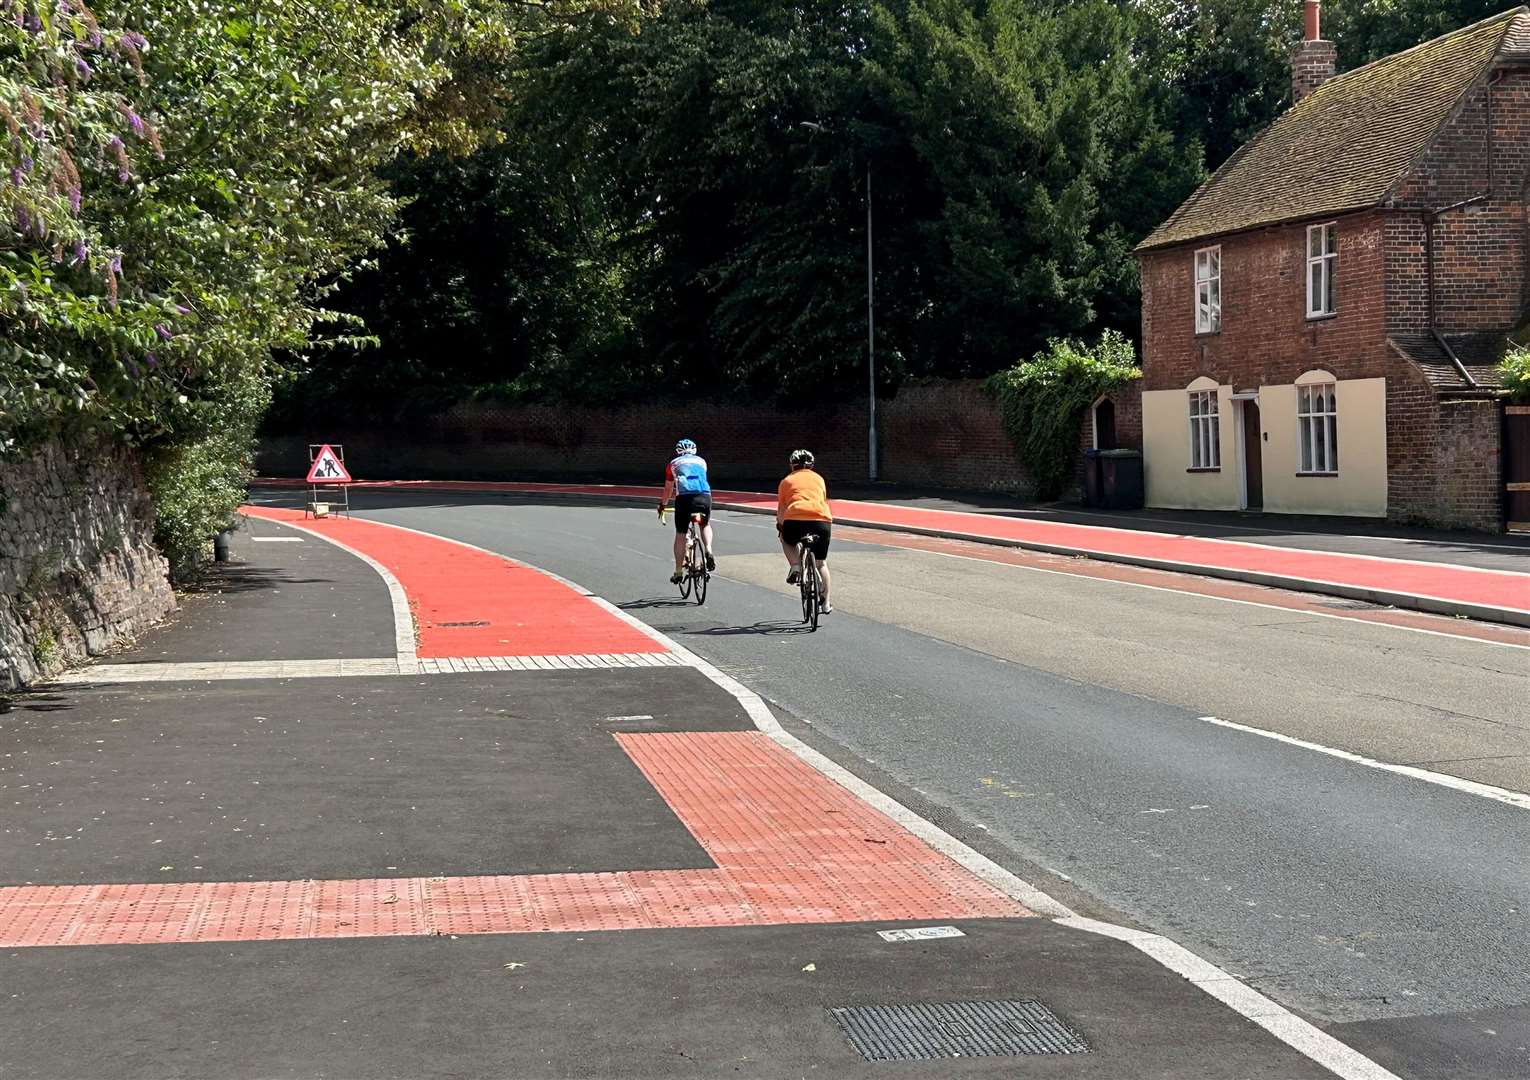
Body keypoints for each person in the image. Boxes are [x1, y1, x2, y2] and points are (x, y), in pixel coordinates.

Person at [776, 449, 832, 614]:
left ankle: (795, 566)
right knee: (821, 563)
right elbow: (822, 499)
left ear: (792, 465)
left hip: (795, 518)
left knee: (786, 539)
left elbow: (782, 508)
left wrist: (780, 526)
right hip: (821, 520)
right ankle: (826, 603)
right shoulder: (819, 479)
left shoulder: (786, 481)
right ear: (811, 465)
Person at [658, 438, 715, 585]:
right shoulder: (702, 462)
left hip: (684, 499)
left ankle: (678, 571)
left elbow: (668, 489)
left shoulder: (673, 464)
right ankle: (708, 549)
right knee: (705, 524)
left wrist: (662, 505)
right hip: (704, 496)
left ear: (678, 451)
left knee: (681, 534)